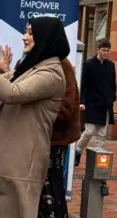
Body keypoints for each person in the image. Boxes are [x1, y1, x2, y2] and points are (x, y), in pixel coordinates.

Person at [0, 17, 70, 218]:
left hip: (18, 171)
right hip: (5, 168)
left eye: (30, 32)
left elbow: (11, 93)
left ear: (45, 37)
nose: (24, 37)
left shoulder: (51, 73)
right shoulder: (32, 68)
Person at [38, 57, 81, 217]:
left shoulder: (61, 64)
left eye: (31, 32)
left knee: (51, 201)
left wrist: (34, 110)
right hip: (35, 144)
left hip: (52, 144)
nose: (25, 38)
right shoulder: (32, 60)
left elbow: (65, 108)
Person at [74, 39, 116, 166]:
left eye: (108, 51)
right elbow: (83, 84)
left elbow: (112, 84)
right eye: (104, 50)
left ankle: (99, 160)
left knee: (102, 135)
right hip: (92, 103)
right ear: (98, 50)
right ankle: (78, 150)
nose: (106, 53)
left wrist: (112, 98)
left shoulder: (111, 65)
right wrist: (81, 101)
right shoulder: (89, 64)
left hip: (106, 104)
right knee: (89, 131)